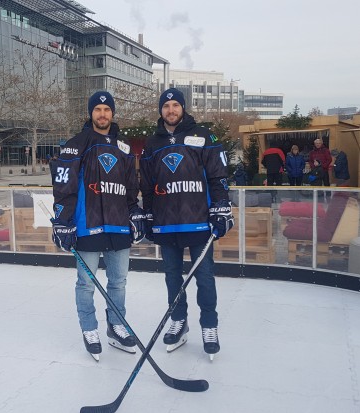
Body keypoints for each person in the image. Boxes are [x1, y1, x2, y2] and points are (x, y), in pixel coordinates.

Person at [139, 88, 233, 359]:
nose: (171, 110)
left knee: (204, 277)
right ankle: (178, 320)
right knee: (172, 277)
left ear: (183, 107)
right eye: (166, 105)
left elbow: (218, 176)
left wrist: (221, 207)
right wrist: (147, 214)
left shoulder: (203, 136)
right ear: (161, 110)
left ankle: (209, 325)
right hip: (166, 223)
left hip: (198, 222)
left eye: (175, 105)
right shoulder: (152, 143)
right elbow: (146, 184)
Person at [52, 90, 146, 361]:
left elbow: (131, 189)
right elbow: (63, 188)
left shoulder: (125, 147)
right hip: (86, 225)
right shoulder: (76, 143)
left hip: (118, 226)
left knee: (118, 282)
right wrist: (62, 221)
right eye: (97, 110)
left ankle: (116, 327)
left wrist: (135, 212)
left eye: (107, 110)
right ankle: (89, 329)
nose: (102, 114)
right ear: (91, 113)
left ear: (112, 113)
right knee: (86, 284)